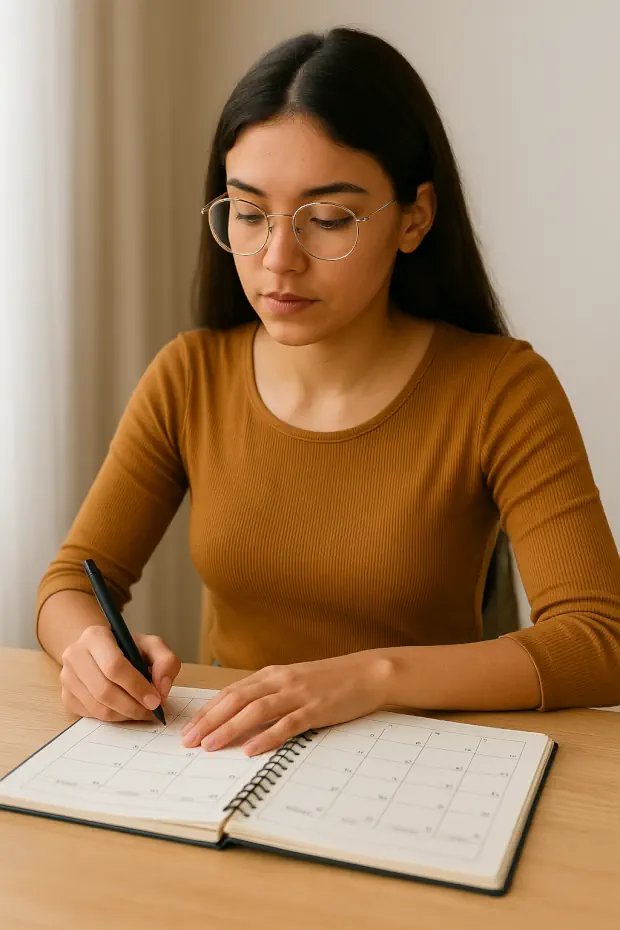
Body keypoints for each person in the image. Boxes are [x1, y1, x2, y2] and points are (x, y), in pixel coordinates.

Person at [37, 27, 620, 758]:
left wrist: (368, 679)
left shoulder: (502, 389)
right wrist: (88, 651)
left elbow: (600, 639)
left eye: (328, 220)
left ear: (415, 217)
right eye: (249, 213)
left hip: (417, 771)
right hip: (226, 759)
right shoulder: (189, 376)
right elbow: (71, 579)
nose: (278, 261)